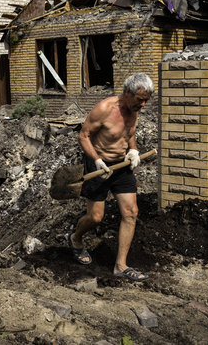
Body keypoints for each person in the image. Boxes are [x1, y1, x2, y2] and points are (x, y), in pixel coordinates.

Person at [66, 72, 153, 281]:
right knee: (96, 217)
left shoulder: (134, 109)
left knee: (131, 212)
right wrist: (96, 160)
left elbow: (129, 133)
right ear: (127, 93)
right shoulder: (104, 109)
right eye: (140, 100)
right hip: (99, 165)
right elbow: (83, 135)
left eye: (145, 101)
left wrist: (133, 151)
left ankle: (120, 266)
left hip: (122, 166)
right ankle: (76, 237)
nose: (142, 105)